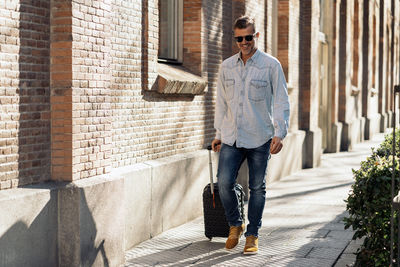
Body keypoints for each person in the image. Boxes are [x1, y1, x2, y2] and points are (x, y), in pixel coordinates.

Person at [211, 15, 290, 254]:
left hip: (260, 136)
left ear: (256, 36)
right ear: (235, 39)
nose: (244, 42)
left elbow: (281, 100)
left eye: (248, 37)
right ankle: (236, 225)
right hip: (232, 136)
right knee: (224, 183)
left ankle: (253, 234)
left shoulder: (271, 65)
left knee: (257, 187)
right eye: (239, 38)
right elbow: (222, 102)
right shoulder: (226, 66)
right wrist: (218, 133)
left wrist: (280, 132)